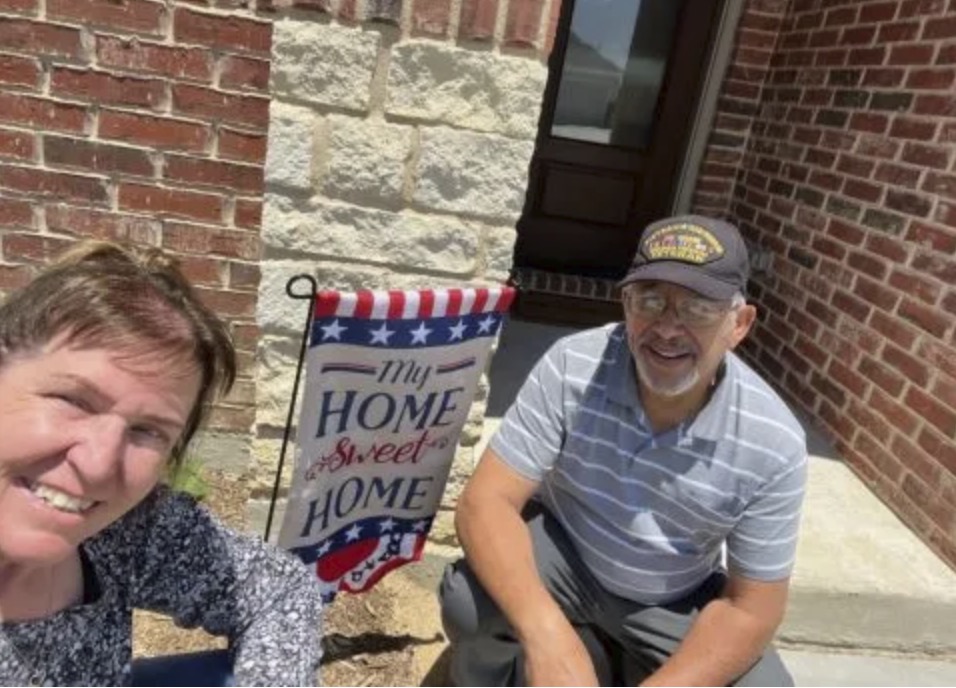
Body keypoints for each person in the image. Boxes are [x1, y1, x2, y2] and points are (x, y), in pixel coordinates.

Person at [440, 215, 808, 686]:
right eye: (650, 300)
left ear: (739, 324)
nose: (668, 328)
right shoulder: (574, 365)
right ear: (625, 304)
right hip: (567, 551)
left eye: (698, 308)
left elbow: (752, 608)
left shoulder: (773, 440)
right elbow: (484, 503)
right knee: (471, 604)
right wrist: (546, 634)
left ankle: (615, 662)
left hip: (674, 594)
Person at [0, 241, 323, 686]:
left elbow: (281, 590)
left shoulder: (126, 530)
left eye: (147, 431)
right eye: (72, 400)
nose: (98, 466)